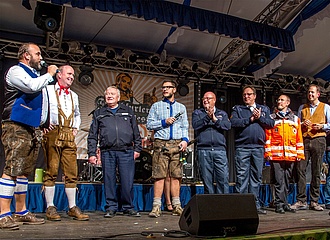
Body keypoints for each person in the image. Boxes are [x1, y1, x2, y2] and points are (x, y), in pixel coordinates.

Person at [0, 43, 58, 230]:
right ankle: (3, 214)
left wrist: (44, 122)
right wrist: (49, 74)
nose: (40, 57)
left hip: (31, 128)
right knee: (11, 169)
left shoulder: (35, 75)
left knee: (24, 171)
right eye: (37, 54)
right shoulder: (16, 71)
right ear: (26, 55)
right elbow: (31, 87)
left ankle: (21, 211)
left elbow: (43, 100)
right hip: (16, 124)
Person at [42, 65, 89, 221]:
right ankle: (50, 206)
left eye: (73, 75)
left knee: (71, 171)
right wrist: (43, 124)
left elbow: (77, 114)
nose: (72, 77)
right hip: (53, 132)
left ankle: (72, 207)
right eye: (69, 74)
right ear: (59, 75)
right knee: (52, 170)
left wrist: (75, 128)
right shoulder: (47, 90)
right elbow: (42, 108)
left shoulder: (74, 95)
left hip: (69, 133)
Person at [87, 86, 142, 218]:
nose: (109, 96)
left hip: (126, 151)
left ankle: (128, 207)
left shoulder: (128, 111)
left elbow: (136, 132)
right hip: (107, 151)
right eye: (107, 94)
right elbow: (92, 134)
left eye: (112, 94)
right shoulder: (99, 113)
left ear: (118, 97)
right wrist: (92, 153)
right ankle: (111, 207)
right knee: (109, 180)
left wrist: (137, 149)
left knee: (127, 181)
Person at [146, 80, 189, 218]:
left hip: (177, 144)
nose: (165, 89)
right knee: (159, 176)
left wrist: (185, 140)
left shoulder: (181, 108)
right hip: (161, 143)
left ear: (174, 90)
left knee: (176, 176)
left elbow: (184, 126)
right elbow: (149, 124)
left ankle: (177, 205)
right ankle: (156, 206)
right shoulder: (156, 106)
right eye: (163, 87)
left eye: (168, 87)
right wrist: (164, 122)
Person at [230, 85, 274, 214]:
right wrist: (250, 119)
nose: (246, 96)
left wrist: (260, 117)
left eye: (249, 94)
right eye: (244, 94)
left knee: (256, 177)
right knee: (242, 177)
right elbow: (233, 123)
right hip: (242, 148)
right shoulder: (238, 109)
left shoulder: (263, 109)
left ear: (254, 96)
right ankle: (241, 205)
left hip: (258, 148)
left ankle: (255, 205)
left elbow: (271, 124)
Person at [291, 84, 330, 211]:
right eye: (309, 93)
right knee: (300, 169)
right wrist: (302, 124)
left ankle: (314, 201)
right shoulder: (302, 108)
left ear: (318, 94)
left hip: (318, 140)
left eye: (312, 93)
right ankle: (301, 200)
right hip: (304, 140)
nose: (310, 95)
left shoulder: (325, 107)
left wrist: (321, 126)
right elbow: (296, 125)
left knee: (316, 171)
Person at [264, 94, 304, 214]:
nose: (279, 102)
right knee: (278, 180)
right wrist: (268, 152)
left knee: (287, 180)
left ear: (288, 103)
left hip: (291, 155)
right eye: (278, 100)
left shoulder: (295, 119)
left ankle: (285, 203)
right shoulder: (271, 118)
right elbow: (268, 136)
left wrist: (299, 154)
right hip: (276, 155)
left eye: (282, 100)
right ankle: (279, 204)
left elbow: (299, 137)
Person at [192, 91, 231, 194]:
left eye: (208, 98)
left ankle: (222, 204)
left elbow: (227, 126)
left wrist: (214, 119)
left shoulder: (222, 113)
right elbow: (196, 125)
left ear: (214, 100)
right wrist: (207, 118)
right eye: (204, 98)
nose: (206, 100)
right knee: (207, 179)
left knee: (222, 179)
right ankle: (210, 205)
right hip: (204, 150)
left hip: (220, 150)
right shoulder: (197, 113)